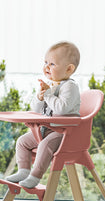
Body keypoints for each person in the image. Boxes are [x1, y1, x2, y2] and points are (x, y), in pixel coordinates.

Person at [5, 41, 81, 188]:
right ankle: (23, 170)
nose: (46, 67)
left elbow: (62, 109)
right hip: (46, 130)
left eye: (52, 64)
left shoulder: (70, 87)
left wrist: (47, 95)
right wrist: (40, 97)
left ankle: (35, 176)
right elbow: (36, 110)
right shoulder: (51, 85)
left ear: (69, 69)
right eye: (46, 62)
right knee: (22, 141)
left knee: (45, 145)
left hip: (64, 132)